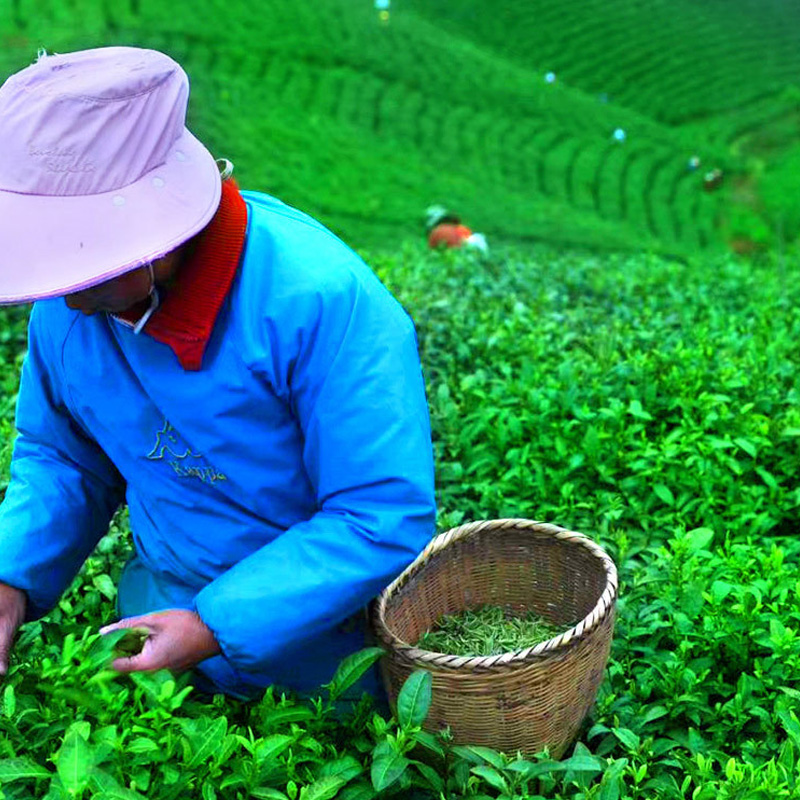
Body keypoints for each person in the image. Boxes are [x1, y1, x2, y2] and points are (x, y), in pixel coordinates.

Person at [0, 47, 436, 699]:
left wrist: (212, 624)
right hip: (153, 614)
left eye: (79, 256)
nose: (64, 291)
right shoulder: (71, 308)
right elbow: (64, 458)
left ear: (156, 233)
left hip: (322, 653)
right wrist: (10, 576)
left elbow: (378, 511)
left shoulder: (322, 302)